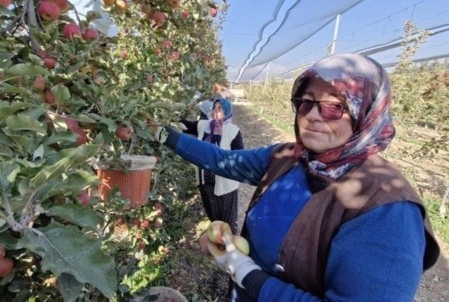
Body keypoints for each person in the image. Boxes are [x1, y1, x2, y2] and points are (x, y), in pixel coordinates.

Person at [153, 53, 440, 301]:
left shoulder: (387, 211)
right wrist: (162, 133)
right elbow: (223, 160)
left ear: (365, 114)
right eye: (306, 102)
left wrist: (246, 273)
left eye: (334, 106)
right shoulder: (289, 158)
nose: (313, 115)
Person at [180, 98, 244, 234]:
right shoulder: (204, 125)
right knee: (214, 218)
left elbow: (240, 158)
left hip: (225, 183)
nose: (216, 110)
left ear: (226, 111)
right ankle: (219, 245)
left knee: (228, 221)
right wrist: (172, 118)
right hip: (205, 181)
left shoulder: (233, 131)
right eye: (214, 107)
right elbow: (187, 126)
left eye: (220, 108)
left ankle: (232, 248)